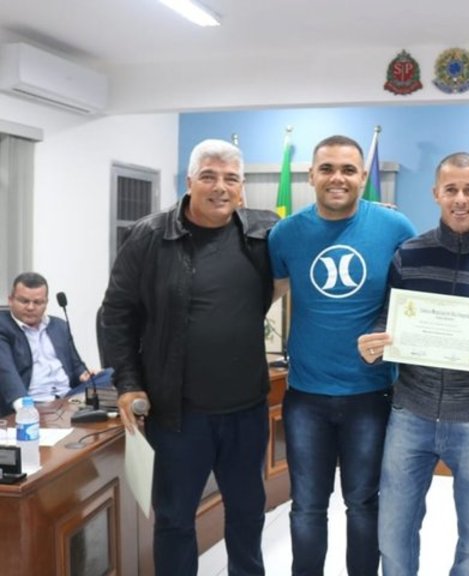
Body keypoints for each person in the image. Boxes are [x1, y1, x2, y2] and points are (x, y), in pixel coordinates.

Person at [99, 139, 278, 576]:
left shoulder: (263, 232)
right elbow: (116, 314)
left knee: (248, 513)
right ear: (190, 182)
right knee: (175, 519)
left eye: (231, 179)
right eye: (209, 177)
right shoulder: (149, 235)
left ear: (242, 187)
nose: (220, 187)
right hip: (178, 415)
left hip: (246, 411)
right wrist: (128, 383)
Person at [358, 152, 469, 576]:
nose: (460, 199)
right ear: (436, 193)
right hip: (409, 413)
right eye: (451, 189)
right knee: (393, 533)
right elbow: (388, 317)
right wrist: (375, 341)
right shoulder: (408, 255)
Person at [268, 134, 416, 576]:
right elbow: (266, 297)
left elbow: (414, 298)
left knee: (364, 503)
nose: (338, 178)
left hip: (370, 394)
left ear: (363, 176)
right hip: (305, 396)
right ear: (310, 175)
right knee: (307, 506)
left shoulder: (395, 228)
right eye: (328, 169)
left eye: (349, 170)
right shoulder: (285, 234)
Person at [0, 272, 91, 416]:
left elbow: (77, 367)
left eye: (37, 302)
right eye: (24, 301)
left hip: (68, 398)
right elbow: (6, 372)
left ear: (46, 303)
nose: (30, 307)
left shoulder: (59, 326)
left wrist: (85, 375)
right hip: (33, 402)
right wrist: (25, 410)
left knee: (111, 376)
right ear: (11, 300)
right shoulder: (3, 326)